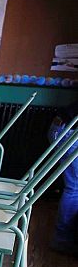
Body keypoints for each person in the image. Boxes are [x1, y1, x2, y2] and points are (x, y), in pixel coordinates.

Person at [48, 101, 78, 254]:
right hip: (68, 132)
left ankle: (63, 239)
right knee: (74, 188)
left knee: (74, 187)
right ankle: (61, 240)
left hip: (62, 128)